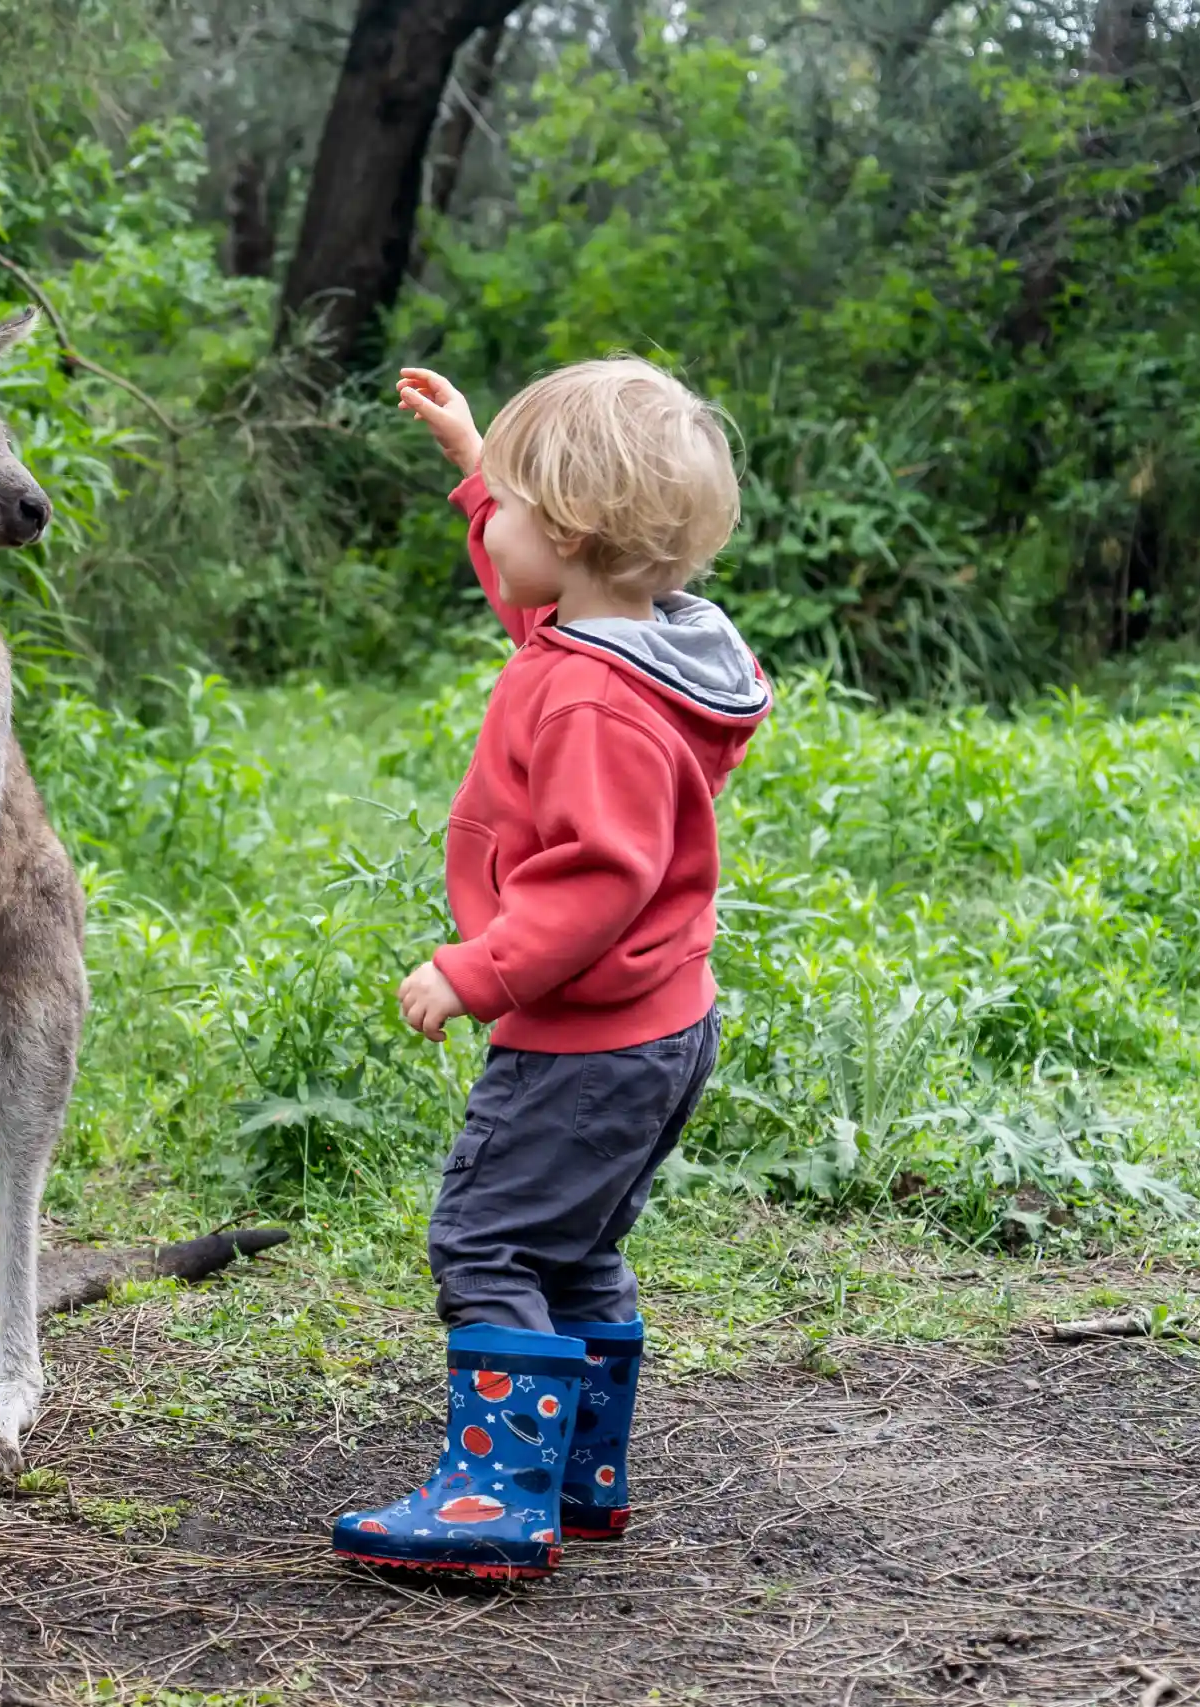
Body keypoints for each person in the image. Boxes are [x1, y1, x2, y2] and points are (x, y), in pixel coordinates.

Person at [331, 359, 771, 1580]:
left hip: (588, 1038)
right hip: (658, 1026)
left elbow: (597, 877)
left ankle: (496, 1501)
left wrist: (481, 971)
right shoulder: (631, 646)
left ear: (570, 534)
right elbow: (533, 596)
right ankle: (580, 1475)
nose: (499, 535)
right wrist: (478, 469)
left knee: (484, 1242)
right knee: (569, 1250)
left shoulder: (592, 704)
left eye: (516, 510)